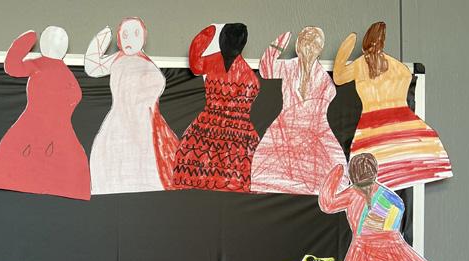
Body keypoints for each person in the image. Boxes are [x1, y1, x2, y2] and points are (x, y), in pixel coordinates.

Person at [319, 153, 445, 261]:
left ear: (352, 173)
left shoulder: (352, 194)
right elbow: (396, 218)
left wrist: (336, 173)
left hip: (363, 250)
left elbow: (327, 204)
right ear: (375, 171)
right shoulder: (391, 197)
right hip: (392, 248)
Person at [333, 21, 452, 189]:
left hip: (371, 129)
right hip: (404, 126)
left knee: (369, 182)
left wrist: (348, 45)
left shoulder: (361, 65)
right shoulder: (399, 68)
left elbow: (338, 76)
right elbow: (405, 81)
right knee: (395, 174)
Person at [0, 27, 91, 200]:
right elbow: (76, 95)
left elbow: (13, 66)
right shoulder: (61, 72)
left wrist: (26, 41)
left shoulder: (39, 65)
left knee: (24, 159)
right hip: (54, 127)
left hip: (41, 124)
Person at [83, 18, 179, 194]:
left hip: (142, 124)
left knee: (144, 165)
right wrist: (104, 36)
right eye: (125, 35)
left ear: (143, 37)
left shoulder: (148, 66)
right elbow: (92, 67)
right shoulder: (117, 59)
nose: (129, 40)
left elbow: (154, 89)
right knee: (110, 161)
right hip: (118, 122)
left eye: (136, 34)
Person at [250, 28, 346, 194]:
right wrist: (279, 43)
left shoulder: (324, 79)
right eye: (306, 42)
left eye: (313, 44)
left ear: (319, 49)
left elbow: (267, 68)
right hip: (288, 129)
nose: (309, 47)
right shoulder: (292, 68)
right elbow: (266, 69)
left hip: (309, 132)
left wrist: (280, 42)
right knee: (272, 178)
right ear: (299, 45)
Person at [173, 23, 259, 192]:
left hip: (215, 124)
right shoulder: (248, 75)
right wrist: (206, 34)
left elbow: (196, 64)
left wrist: (206, 35)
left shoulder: (223, 64)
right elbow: (195, 65)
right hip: (233, 128)